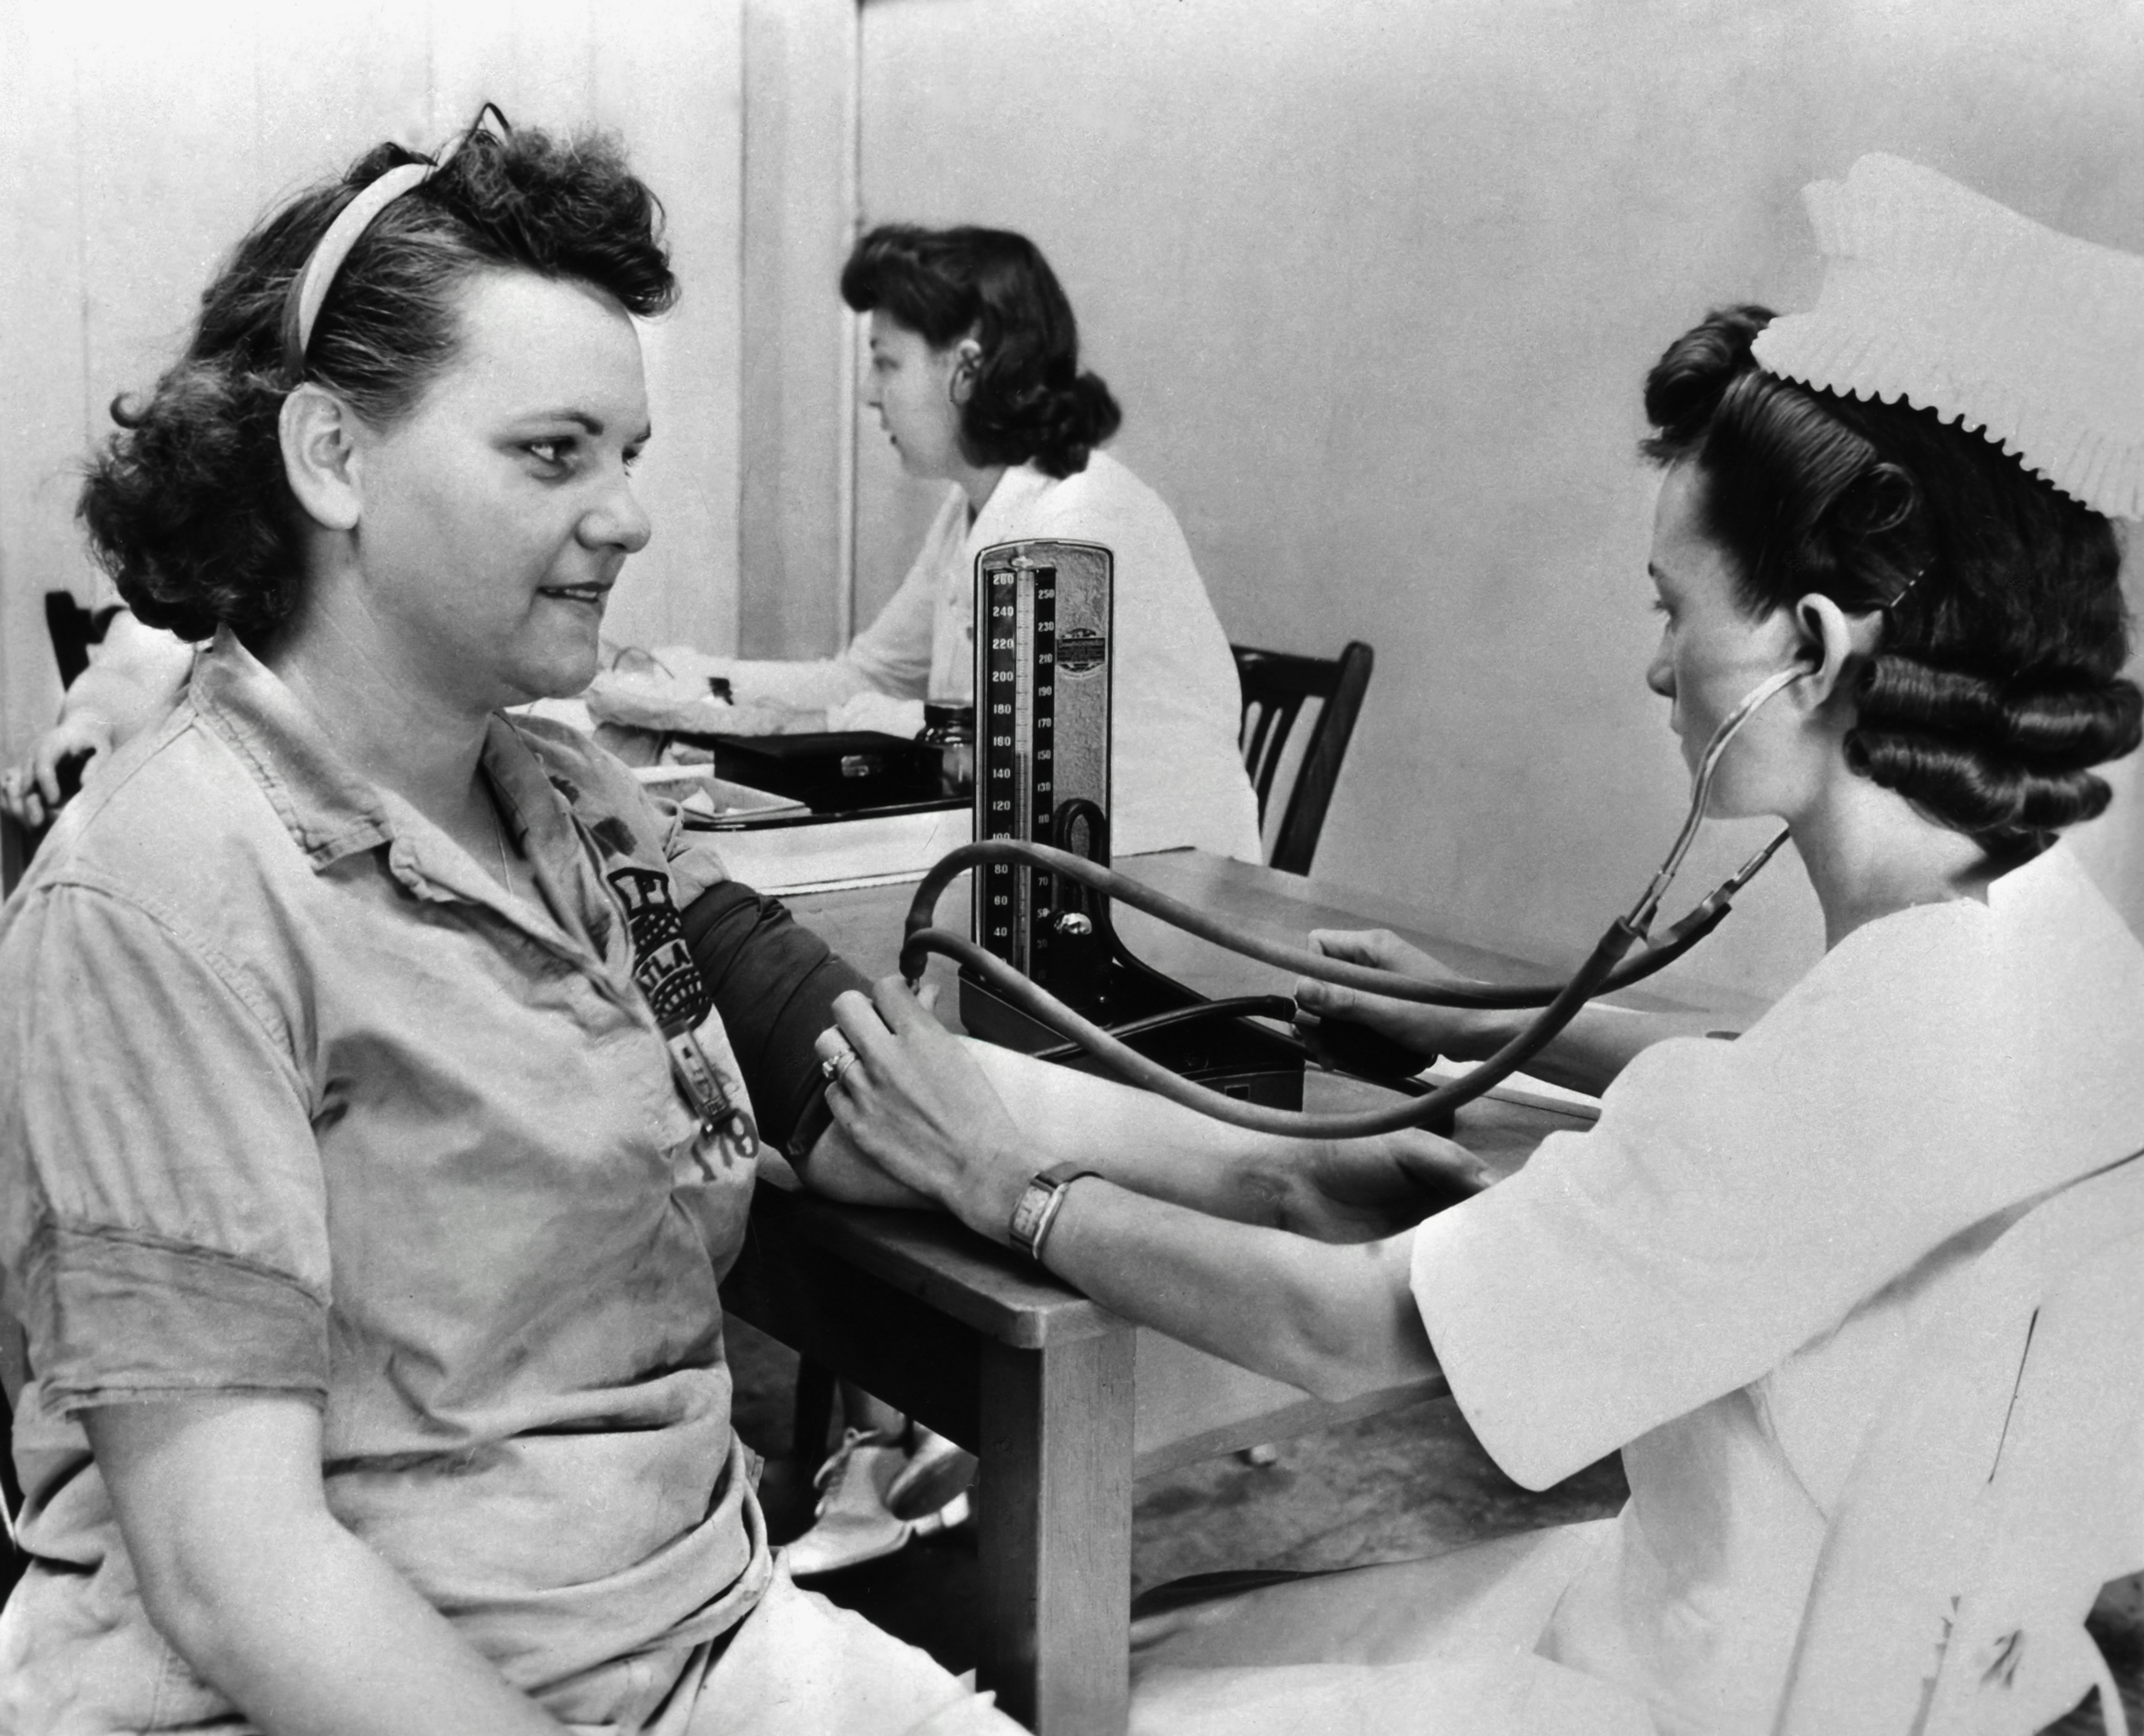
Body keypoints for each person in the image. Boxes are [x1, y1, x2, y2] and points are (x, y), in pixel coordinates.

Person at [806, 155, 2144, 1734]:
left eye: (1672, 609)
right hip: (1864, 1654)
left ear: (1810, 651)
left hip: (1684, 1692)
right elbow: (1782, 1075)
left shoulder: (1839, 1080)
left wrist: (1006, 1182)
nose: (1657, 669)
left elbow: (1339, 1320)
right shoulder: (2046, 954)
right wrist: (1480, 1018)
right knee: (1202, 1612)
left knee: (1093, 1677)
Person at [0, 114, 1034, 1735]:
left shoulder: (572, 805)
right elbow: (236, 1577)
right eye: (555, 454)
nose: (626, 515)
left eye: (627, 455)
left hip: (687, 1635)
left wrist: (1239, 1199)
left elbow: (817, 1103)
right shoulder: (161, 897)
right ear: (333, 460)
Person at [584, 223, 1266, 864]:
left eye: (886, 363)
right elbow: (868, 676)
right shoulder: (978, 508)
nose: (868, 393)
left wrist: (787, 716)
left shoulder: (1079, 522)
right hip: (1044, 855)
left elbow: (1001, 751)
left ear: (966, 370)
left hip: (1155, 882)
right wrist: (680, 681)